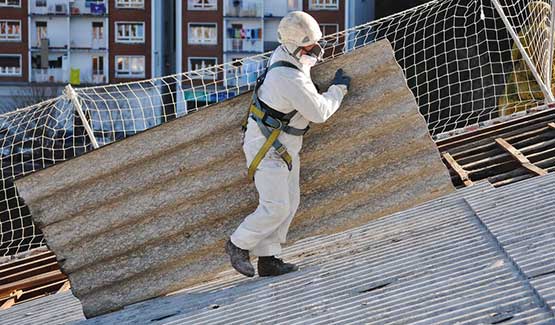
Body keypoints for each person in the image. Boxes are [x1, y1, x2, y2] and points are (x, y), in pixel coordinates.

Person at [225, 11, 351, 277]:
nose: (316, 50)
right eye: (310, 46)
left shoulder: (290, 57)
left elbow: (304, 75)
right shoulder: (287, 77)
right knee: (276, 206)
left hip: (285, 146)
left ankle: (269, 259)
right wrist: (338, 90)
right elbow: (319, 113)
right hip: (267, 148)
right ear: (296, 46)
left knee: (289, 202)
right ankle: (237, 244)